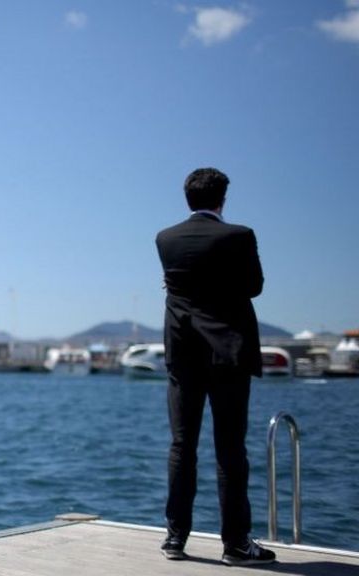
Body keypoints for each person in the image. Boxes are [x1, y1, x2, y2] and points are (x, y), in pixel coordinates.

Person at [155, 167, 276, 566]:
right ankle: (236, 545)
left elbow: (180, 285)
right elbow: (254, 286)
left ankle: (175, 539)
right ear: (222, 199)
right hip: (228, 354)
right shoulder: (239, 236)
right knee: (229, 449)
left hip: (182, 355)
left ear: (187, 198)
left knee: (181, 445)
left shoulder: (165, 239)